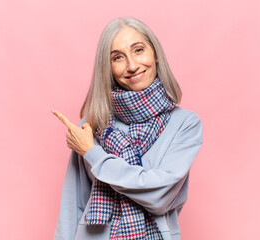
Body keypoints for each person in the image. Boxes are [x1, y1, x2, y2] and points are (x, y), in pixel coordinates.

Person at [52, 17, 203, 240]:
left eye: (139, 50)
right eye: (118, 58)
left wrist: (93, 153)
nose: (132, 66)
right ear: (108, 67)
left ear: (156, 54)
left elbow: (158, 195)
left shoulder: (185, 124)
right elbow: (73, 204)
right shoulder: (92, 123)